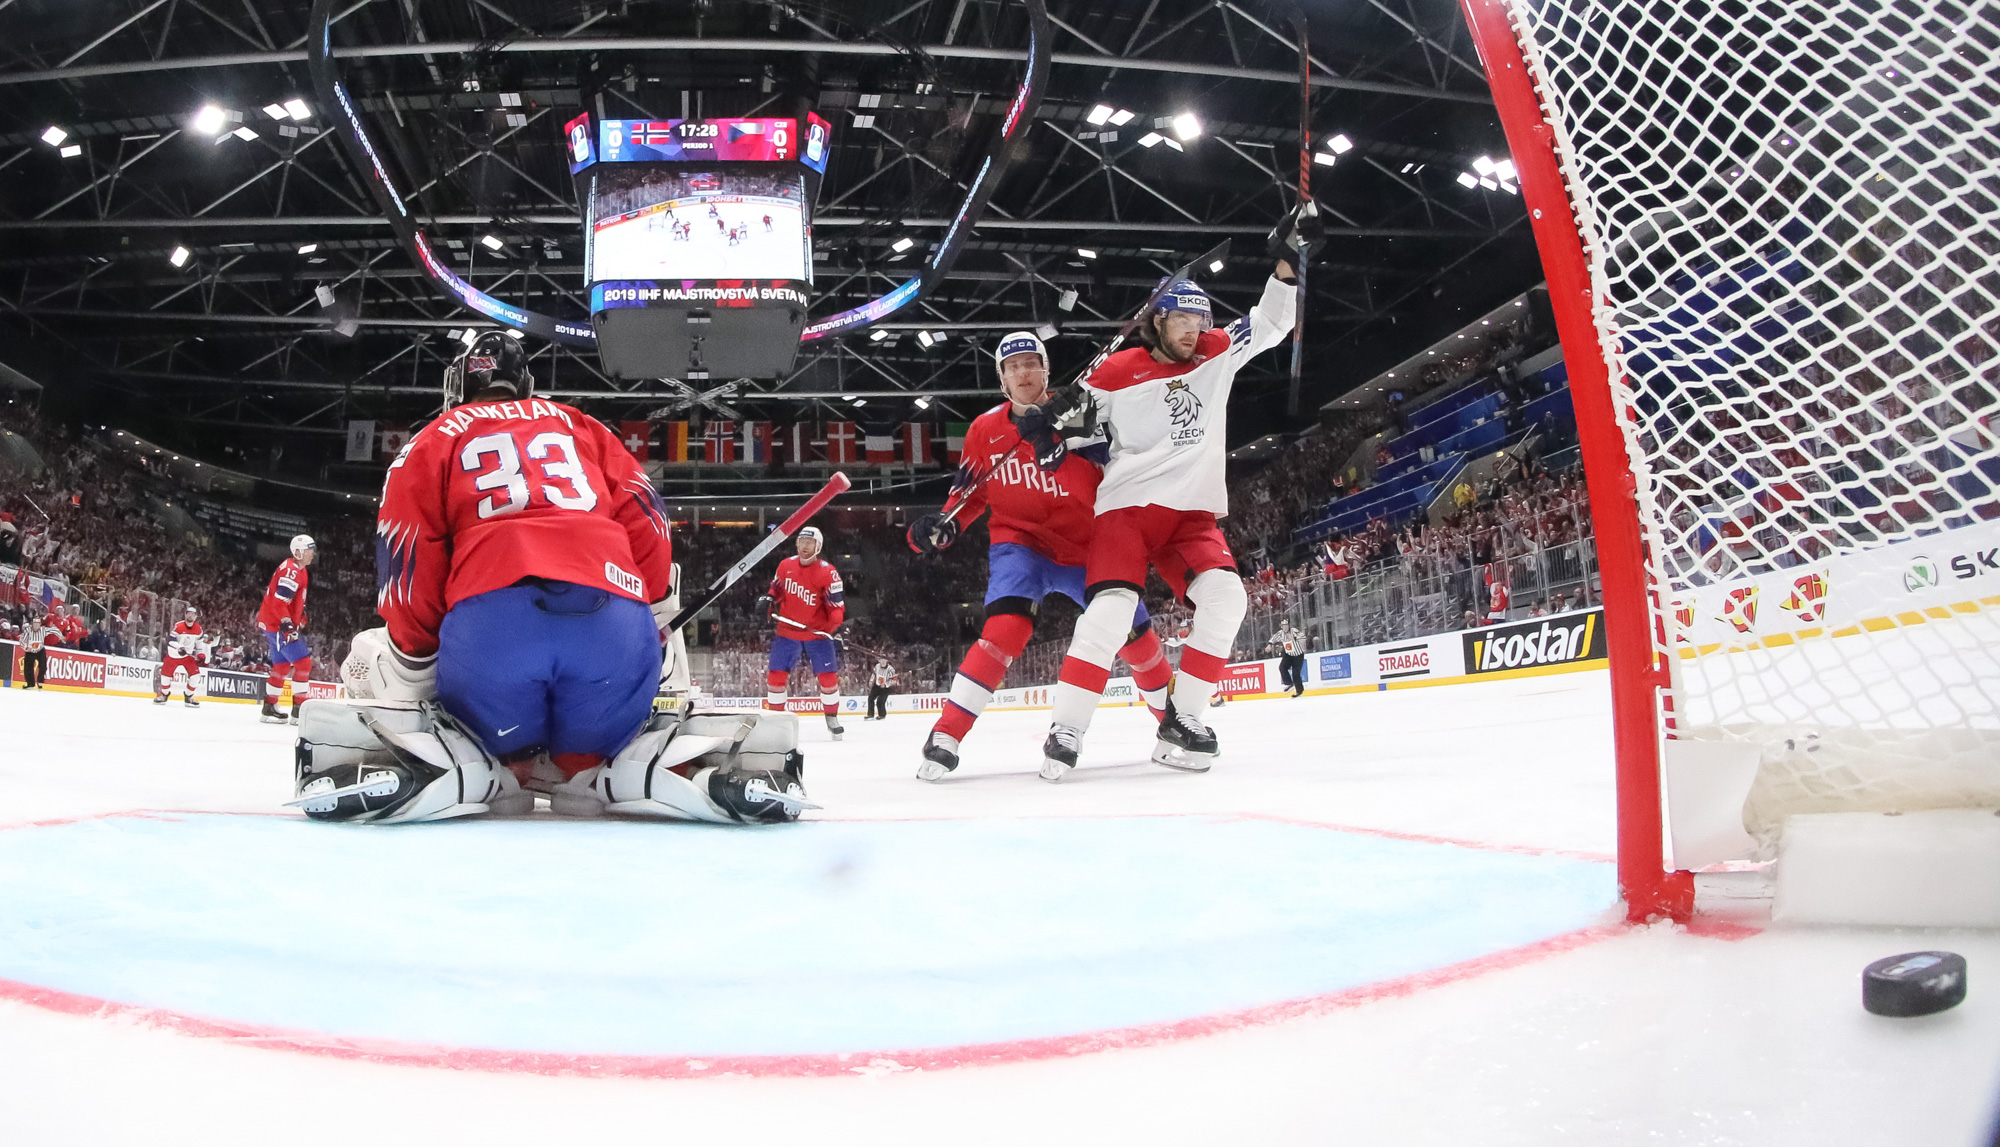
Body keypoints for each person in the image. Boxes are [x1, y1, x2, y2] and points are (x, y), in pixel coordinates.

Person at [304, 331, 808, 825]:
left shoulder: (433, 439)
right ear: (522, 382)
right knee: (631, 685)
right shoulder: (581, 425)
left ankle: (496, 769)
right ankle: (604, 770)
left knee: (378, 658)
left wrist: (415, 663)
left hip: (494, 632)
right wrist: (651, 613)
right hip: (612, 631)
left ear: (459, 384)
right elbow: (649, 521)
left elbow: (409, 558)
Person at [1036, 202, 1318, 780]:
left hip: (1192, 515)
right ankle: (1067, 728)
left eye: (1201, 319)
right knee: (1111, 614)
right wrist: (1056, 416)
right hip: (1129, 510)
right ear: (1157, 322)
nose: (1195, 329)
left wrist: (1289, 256)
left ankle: (1181, 721)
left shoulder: (1216, 352)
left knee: (1228, 599)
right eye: (1183, 321)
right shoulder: (1114, 371)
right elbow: (1067, 434)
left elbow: (1271, 323)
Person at [905, 331, 1174, 782]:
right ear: (1001, 379)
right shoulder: (984, 430)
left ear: (1046, 370)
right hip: (1020, 543)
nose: (1023, 373)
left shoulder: (1082, 412)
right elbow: (968, 497)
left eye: (1031, 363)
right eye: (1013, 367)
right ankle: (946, 734)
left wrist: (1069, 442)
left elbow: (1117, 471)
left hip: (1088, 544)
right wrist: (939, 528)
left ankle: (1172, 727)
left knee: (1135, 633)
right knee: (1005, 629)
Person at [765, 525, 846, 740]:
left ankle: (831, 718)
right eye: (801, 542)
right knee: (775, 677)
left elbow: (836, 608)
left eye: (809, 543)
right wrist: (769, 599)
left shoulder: (828, 572)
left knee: (828, 679)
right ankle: (775, 721)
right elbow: (777, 588)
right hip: (787, 630)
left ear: (818, 547)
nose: (804, 546)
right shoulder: (785, 565)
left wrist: (831, 628)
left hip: (817, 634)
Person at [258, 534, 316, 723]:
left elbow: (290, 599)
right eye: (309, 549)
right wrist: (287, 623)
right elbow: (279, 602)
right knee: (303, 663)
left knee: (281, 666)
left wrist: (300, 614)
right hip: (277, 625)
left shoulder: (298, 569)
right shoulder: (291, 571)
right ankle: (298, 710)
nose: (312, 553)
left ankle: (269, 707)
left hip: (273, 623)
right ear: (298, 552)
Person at [154, 605, 208, 707]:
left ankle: (188, 696)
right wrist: (179, 648)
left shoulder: (198, 629)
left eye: (193, 614)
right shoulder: (178, 626)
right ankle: (164, 695)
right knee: (165, 677)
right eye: (189, 613)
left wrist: (201, 653)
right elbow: (170, 640)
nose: (190, 616)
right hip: (173, 655)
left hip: (187, 657)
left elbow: (199, 643)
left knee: (196, 676)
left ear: (196, 616)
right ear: (185, 614)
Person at [1268, 622, 1308, 698]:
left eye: (1286, 625)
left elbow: (1303, 636)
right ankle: (1289, 683)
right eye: (1283, 626)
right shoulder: (1280, 633)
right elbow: (1273, 638)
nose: (1285, 627)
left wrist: (1297, 638)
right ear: (1281, 627)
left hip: (1298, 655)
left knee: (1296, 673)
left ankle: (1299, 691)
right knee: (1282, 667)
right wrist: (1270, 644)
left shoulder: (1294, 631)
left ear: (1289, 625)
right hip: (1288, 654)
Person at [18, 611, 51, 689]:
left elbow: (54, 630)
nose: (36, 624)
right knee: (28, 667)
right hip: (30, 650)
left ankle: (40, 682)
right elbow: (22, 640)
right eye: (35, 622)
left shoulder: (43, 630)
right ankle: (30, 683)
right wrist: (25, 648)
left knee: (43, 665)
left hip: (40, 649)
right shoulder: (28, 630)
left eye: (38, 622)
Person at [865, 657, 897, 721]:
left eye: (884, 660)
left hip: (886, 688)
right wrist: (871, 680)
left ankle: (882, 715)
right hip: (877, 685)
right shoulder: (877, 666)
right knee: (870, 698)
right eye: (881, 660)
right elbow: (874, 674)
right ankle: (870, 714)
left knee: (880, 701)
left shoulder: (891, 669)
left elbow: (894, 680)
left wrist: (886, 684)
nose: (882, 661)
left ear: (887, 661)